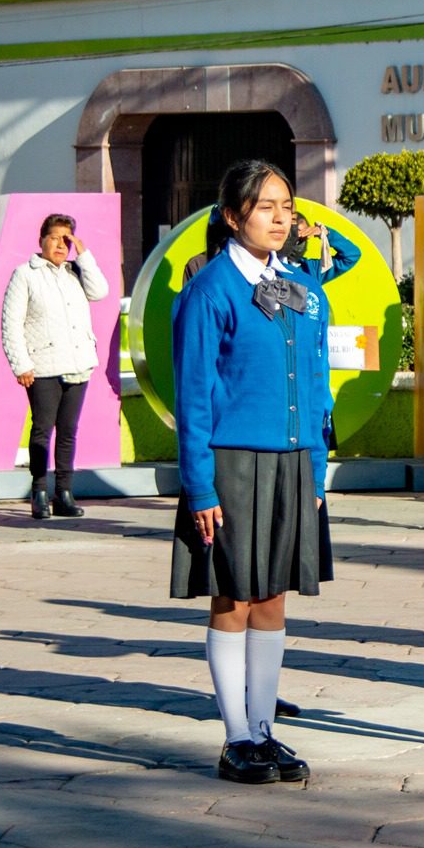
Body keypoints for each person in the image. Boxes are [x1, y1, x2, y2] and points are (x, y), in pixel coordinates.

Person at [170, 159, 330, 786]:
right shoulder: (209, 291)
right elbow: (195, 396)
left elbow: (315, 385)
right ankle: (236, 735)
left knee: (272, 596)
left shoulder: (301, 287)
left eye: (286, 205)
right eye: (266, 206)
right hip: (232, 464)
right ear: (233, 216)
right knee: (233, 596)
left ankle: (264, 729)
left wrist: (315, 471)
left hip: (291, 462)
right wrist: (200, 484)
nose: (281, 217)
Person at [1, 214, 110, 521]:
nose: (61, 245)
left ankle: (64, 492)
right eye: (54, 238)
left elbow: (100, 291)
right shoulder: (25, 274)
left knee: (68, 432)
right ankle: (39, 491)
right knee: (41, 430)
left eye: (67, 239)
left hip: (78, 362)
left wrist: (84, 254)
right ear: (41, 241)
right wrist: (20, 363)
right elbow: (11, 322)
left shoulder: (75, 272)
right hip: (42, 366)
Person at [288, 213, 363, 284]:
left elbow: (351, 255)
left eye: (302, 237)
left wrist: (325, 234)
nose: (297, 239)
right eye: (293, 234)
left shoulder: (311, 269)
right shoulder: (276, 261)